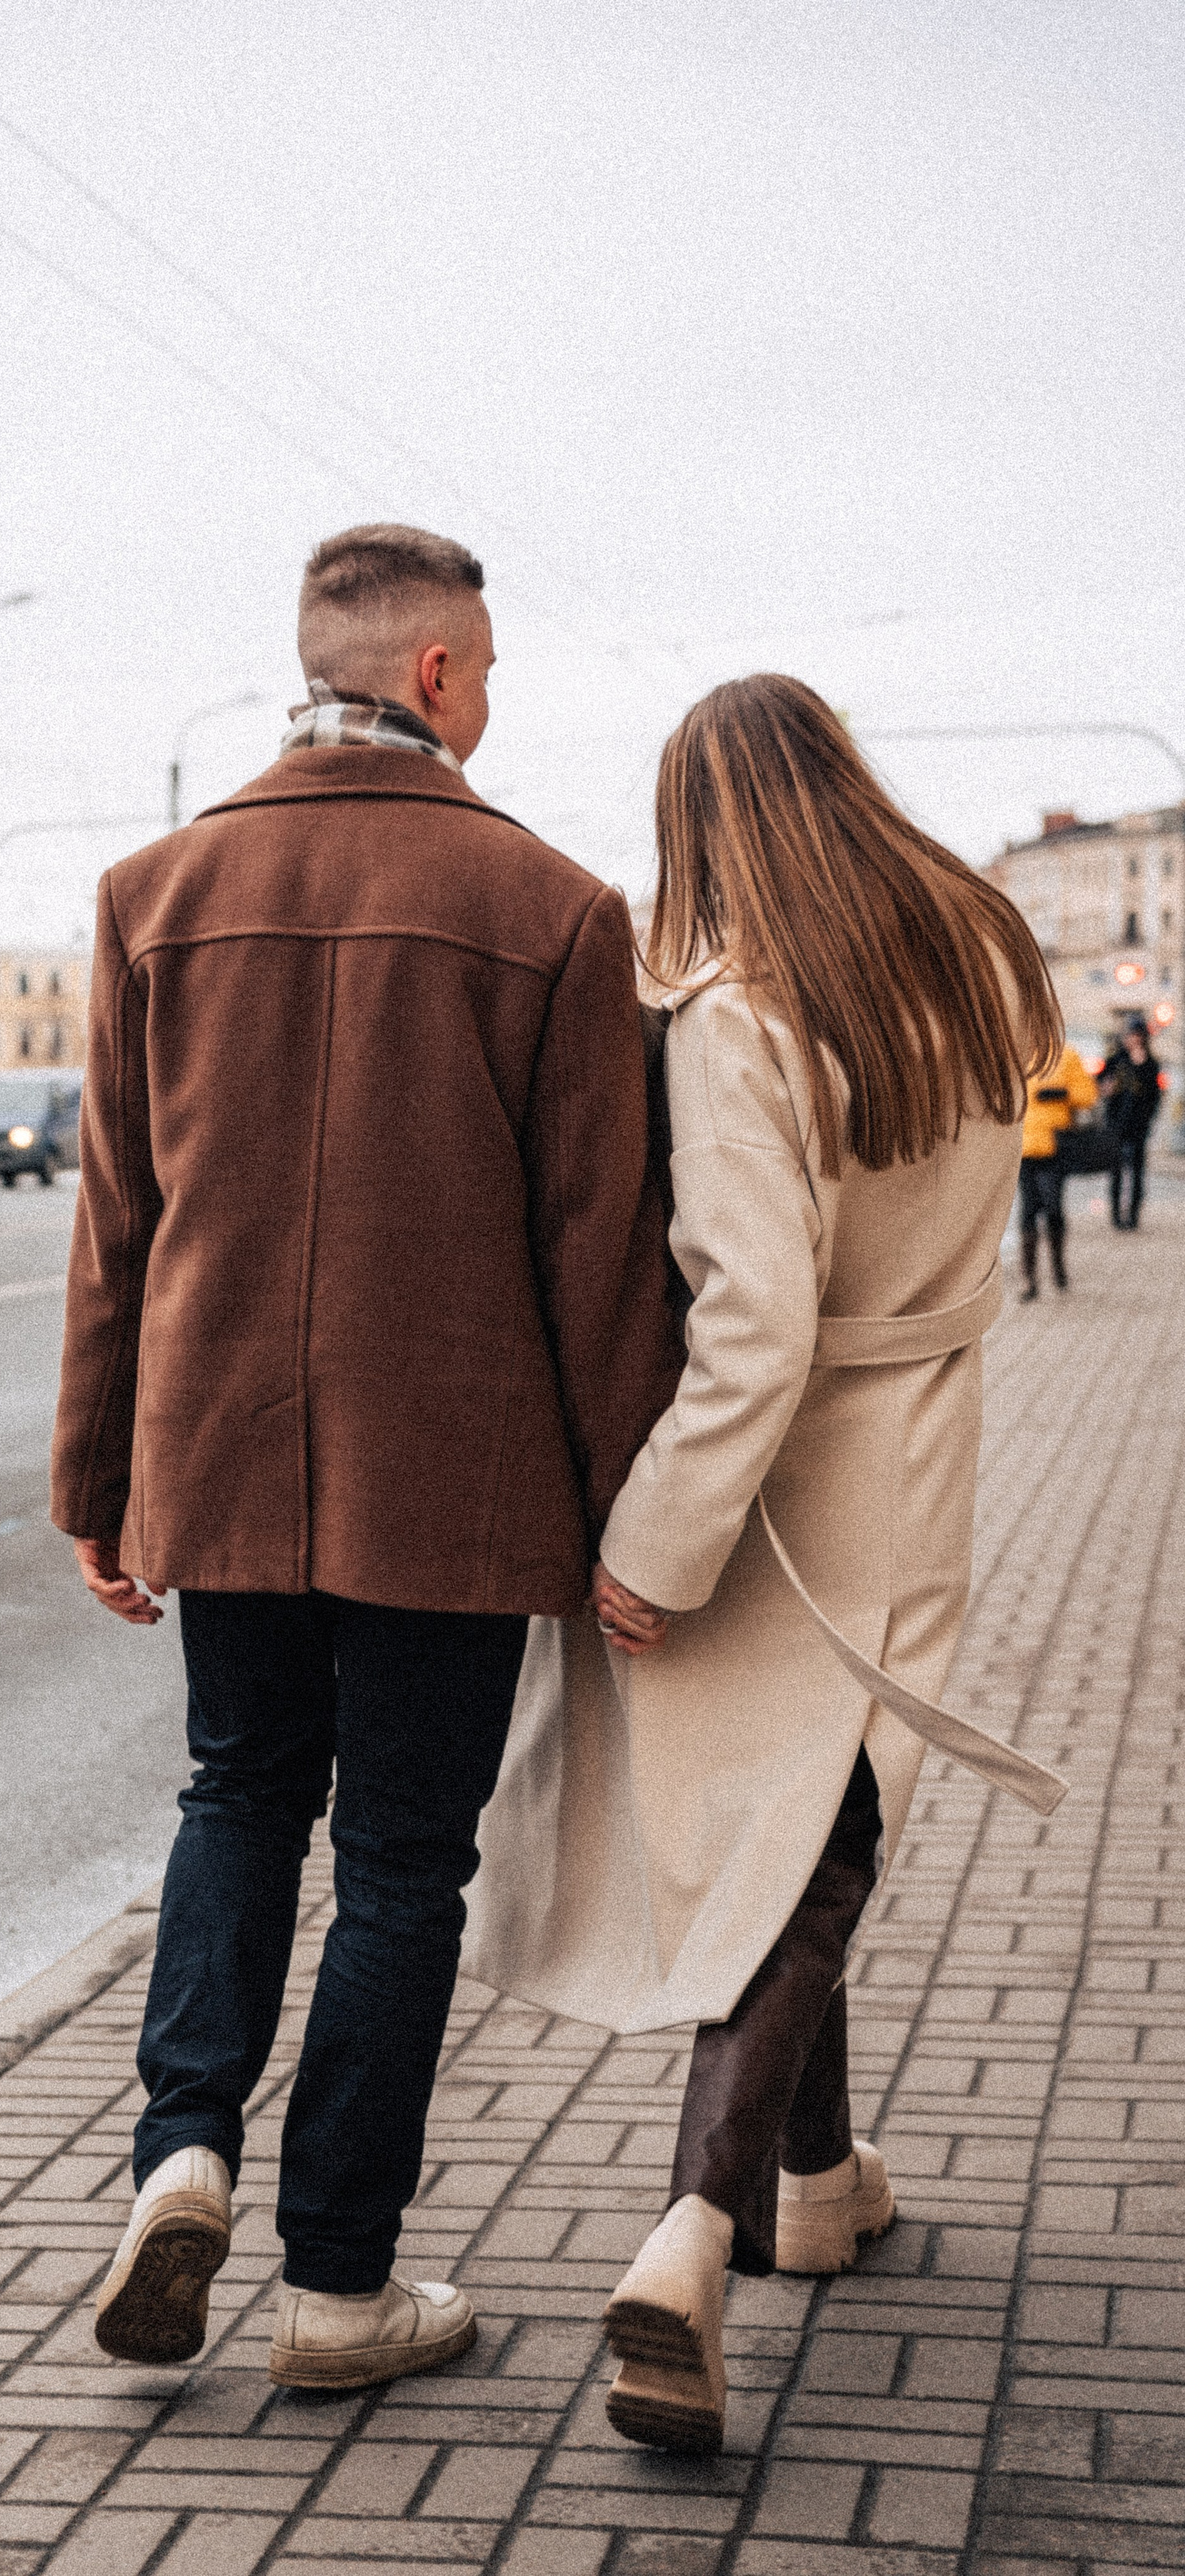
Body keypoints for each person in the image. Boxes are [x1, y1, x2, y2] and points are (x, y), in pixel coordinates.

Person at [50, 524, 680, 2392]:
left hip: (218, 1459)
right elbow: (598, 1251)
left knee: (237, 1793)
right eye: (485, 667)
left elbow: (116, 1225)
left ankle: (181, 2151)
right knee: (402, 1862)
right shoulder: (553, 910)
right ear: (431, 673)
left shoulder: (154, 893)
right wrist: (637, 1514)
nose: (491, 698)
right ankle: (337, 2287)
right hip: (457, 1484)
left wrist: (97, 1482)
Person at [465, 675, 1062, 2456]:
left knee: (795, 1854)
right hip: (916, 1456)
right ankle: (811, 2183)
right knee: (825, 1821)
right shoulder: (979, 957)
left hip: (771, 1489)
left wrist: (654, 1542)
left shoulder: (741, 1014)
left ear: (704, 829)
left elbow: (753, 1324)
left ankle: (688, 2231)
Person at [1016, 1038, 1097, 1296]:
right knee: (1028, 1211)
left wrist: (1062, 1094)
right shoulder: (1019, 1056)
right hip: (1024, 1150)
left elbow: (1088, 1095)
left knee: (1053, 1208)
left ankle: (1058, 1268)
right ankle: (1029, 1279)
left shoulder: (1066, 1056)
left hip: (1054, 1148)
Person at [1101, 1016, 1164, 1229]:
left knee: (1137, 1172)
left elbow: (1155, 1095)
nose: (1134, 1040)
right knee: (1116, 1171)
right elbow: (1102, 1083)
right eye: (1131, 1036)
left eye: (1137, 1036)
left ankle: (1133, 1215)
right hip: (1116, 1123)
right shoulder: (1116, 1059)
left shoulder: (1151, 1064)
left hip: (1139, 1125)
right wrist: (1106, 1089)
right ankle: (1117, 1215)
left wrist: (1149, 1118)